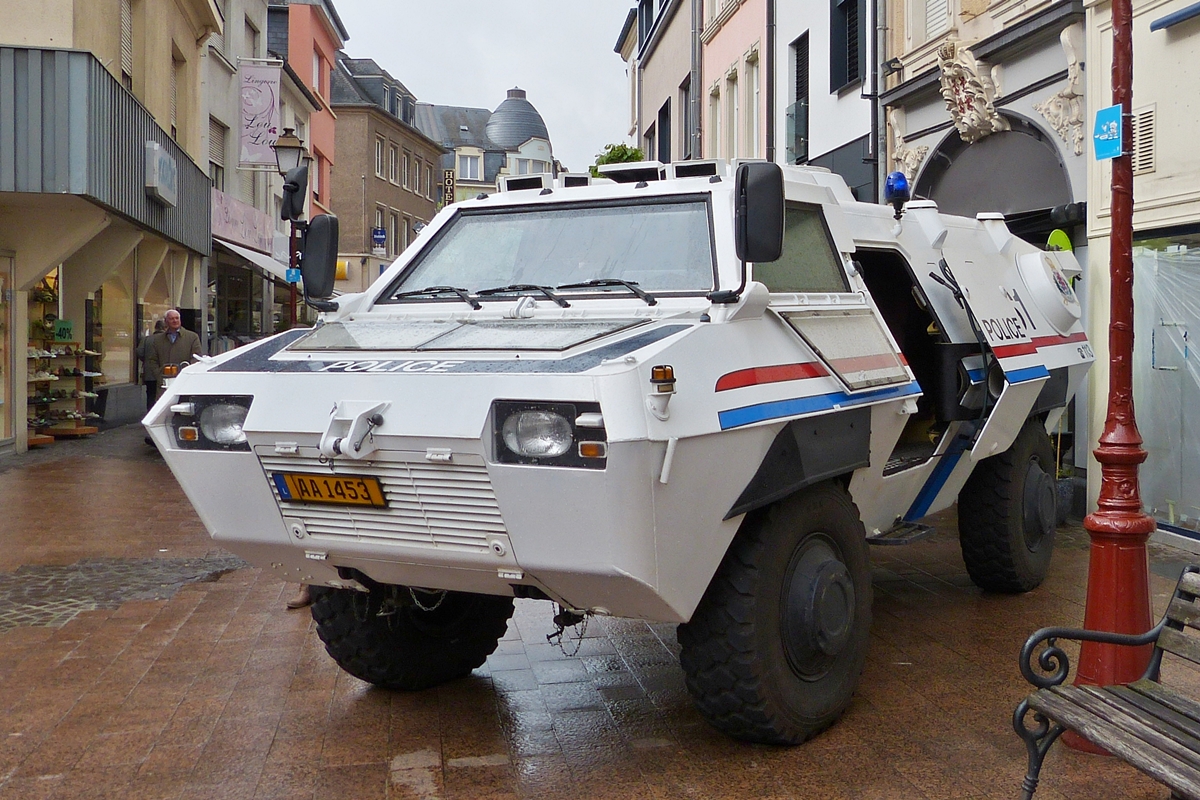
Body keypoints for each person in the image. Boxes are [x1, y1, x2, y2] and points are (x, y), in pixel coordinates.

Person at [144, 309, 202, 408]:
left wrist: (186, 373)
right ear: (166, 321)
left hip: (184, 382)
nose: (175, 321)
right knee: (164, 409)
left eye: (177, 318)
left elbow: (196, 357)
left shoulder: (192, 337)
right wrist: (159, 374)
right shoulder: (158, 340)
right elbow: (152, 360)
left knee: (183, 409)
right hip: (164, 383)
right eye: (171, 319)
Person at [137, 319, 165, 413]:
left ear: (155, 328)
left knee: (150, 394)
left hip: (149, 373)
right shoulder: (167, 340)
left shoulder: (146, 339)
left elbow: (140, 352)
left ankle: (150, 413)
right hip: (165, 373)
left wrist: (147, 361)